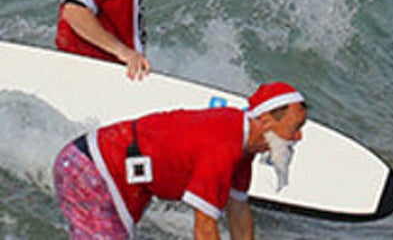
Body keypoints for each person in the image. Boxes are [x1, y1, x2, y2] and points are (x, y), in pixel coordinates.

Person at [54, 81, 307, 240]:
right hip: (92, 168)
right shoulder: (222, 145)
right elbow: (204, 228)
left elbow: (238, 211)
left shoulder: (244, 147)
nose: (299, 136)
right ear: (265, 121)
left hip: (117, 176)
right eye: (295, 127)